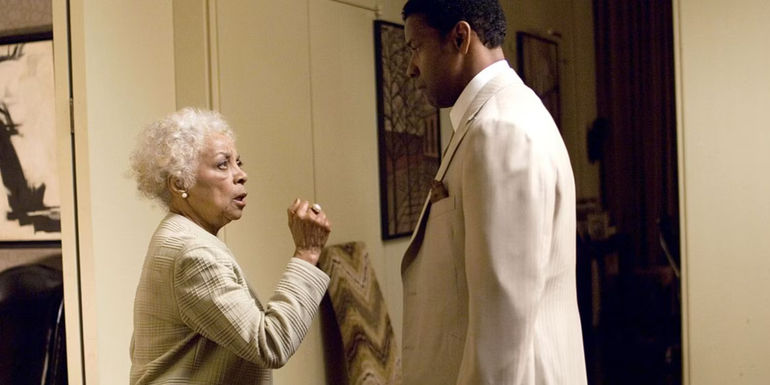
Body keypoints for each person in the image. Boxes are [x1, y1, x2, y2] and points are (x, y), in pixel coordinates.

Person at [399, 1, 587, 384]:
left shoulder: (500, 129)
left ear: (460, 37)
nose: (411, 67)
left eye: (415, 47)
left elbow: (501, 334)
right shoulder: (495, 117)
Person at [128, 107, 331, 385]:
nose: (241, 175)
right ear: (180, 183)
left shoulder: (178, 234)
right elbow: (271, 343)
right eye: (223, 164)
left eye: (239, 162)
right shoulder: (192, 253)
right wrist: (307, 253)